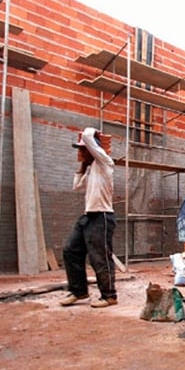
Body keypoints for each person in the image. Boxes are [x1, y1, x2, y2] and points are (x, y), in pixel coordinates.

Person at [59, 127, 118, 308]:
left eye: (83, 149)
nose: (81, 153)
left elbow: (87, 136)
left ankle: (109, 296)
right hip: (88, 217)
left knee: (99, 257)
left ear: (93, 149)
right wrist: (83, 165)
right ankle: (79, 291)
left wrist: (93, 132)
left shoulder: (105, 163)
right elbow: (76, 186)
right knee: (70, 251)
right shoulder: (91, 168)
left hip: (102, 217)